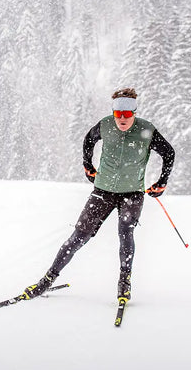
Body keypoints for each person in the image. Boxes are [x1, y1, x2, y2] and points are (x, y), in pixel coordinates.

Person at [22, 88, 175, 302]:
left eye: (128, 114)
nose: (122, 119)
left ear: (134, 112)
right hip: (103, 191)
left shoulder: (146, 130)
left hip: (132, 193)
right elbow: (88, 141)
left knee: (125, 234)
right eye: (118, 114)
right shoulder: (105, 125)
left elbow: (169, 153)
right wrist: (88, 167)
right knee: (78, 237)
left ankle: (124, 285)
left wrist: (162, 182)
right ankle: (46, 281)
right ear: (113, 113)